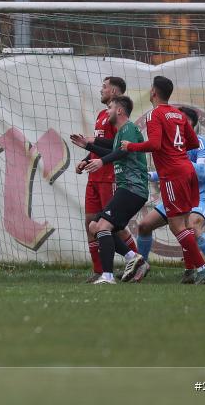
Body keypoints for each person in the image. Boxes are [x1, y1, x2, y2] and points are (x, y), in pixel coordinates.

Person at [122, 76, 205, 284]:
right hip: (187, 171)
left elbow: (154, 144)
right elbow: (191, 142)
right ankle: (191, 270)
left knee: (176, 226)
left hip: (173, 174)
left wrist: (130, 146)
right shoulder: (178, 114)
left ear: (154, 92)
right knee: (183, 223)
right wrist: (175, 149)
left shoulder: (154, 114)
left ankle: (202, 270)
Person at [132, 106, 205, 283]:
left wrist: (179, 162)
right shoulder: (175, 146)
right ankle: (141, 266)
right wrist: (147, 175)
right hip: (180, 192)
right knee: (144, 225)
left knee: (192, 226)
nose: (174, 121)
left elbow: (201, 172)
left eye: (180, 119)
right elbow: (166, 171)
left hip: (203, 195)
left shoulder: (200, 143)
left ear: (189, 123)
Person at [70, 76, 139, 282]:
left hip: (109, 176)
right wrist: (85, 159)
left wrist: (92, 147)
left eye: (105, 87)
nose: (101, 90)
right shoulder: (103, 114)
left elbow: (115, 146)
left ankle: (135, 264)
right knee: (90, 223)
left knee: (112, 226)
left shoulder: (117, 119)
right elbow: (98, 147)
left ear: (115, 93)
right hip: (94, 176)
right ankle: (99, 270)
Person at [84, 96, 151, 284]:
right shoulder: (121, 133)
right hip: (127, 189)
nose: (107, 111)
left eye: (110, 108)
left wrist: (102, 161)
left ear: (120, 111)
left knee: (103, 226)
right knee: (94, 226)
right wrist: (88, 147)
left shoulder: (128, 128)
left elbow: (124, 152)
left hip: (133, 188)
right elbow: (113, 152)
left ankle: (107, 276)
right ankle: (132, 257)